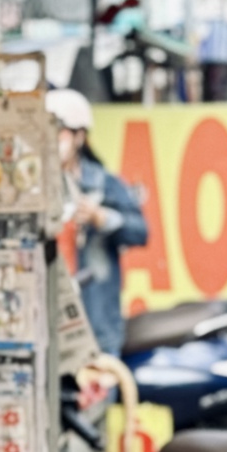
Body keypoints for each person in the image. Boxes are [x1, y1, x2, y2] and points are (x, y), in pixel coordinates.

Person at [48, 87, 150, 357]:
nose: (52, 139)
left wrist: (102, 218)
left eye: (59, 131)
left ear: (79, 136)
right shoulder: (33, 185)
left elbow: (140, 231)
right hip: (49, 320)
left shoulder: (103, 183)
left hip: (96, 320)